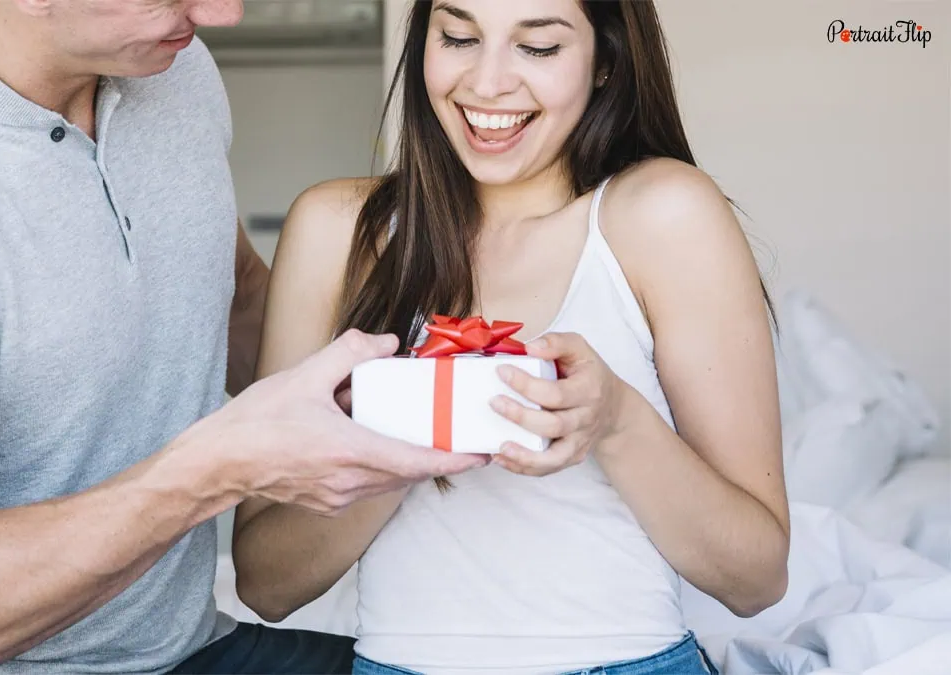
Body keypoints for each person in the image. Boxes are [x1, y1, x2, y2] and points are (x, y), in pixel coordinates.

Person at [0, 0, 490, 673]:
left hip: (187, 648)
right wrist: (214, 471)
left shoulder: (172, 73)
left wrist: (424, 386)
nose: (222, 13)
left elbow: (226, 287)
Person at [232, 0, 791, 673]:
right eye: (460, 37)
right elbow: (264, 584)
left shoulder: (664, 215)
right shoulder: (335, 231)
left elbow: (757, 579)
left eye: (540, 47)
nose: (488, 82)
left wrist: (614, 421)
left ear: (606, 61)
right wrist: (404, 436)